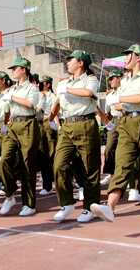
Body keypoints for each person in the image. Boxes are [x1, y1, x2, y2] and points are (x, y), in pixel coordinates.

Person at [92, 44, 140, 228]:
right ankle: (110, 206)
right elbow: (118, 106)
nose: (125, 59)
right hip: (126, 123)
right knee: (122, 163)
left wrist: (121, 99)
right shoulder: (124, 81)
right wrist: (119, 101)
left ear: (139, 57)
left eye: (128, 56)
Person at [51, 50, 101, 223]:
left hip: (85, 123)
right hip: (67, 125)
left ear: (80, 63)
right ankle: (67, 203)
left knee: (89, 168)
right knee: (59, 165)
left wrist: (66, 88)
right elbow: (57, 104)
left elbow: (88, 93)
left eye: (70, 60)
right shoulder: (65, 83)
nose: (67, 63)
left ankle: (90, 206)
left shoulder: (91, 79)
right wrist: (51, 119)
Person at [0, 57, 40, 216]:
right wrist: (5, 123)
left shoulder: (32, 88)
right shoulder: (12, 89)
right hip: (13, 124)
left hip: (28, 123)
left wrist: (12, 97)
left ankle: (29, 204)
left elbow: (31, 104)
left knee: (27, 164)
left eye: (15, 68)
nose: (12, 71)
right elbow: (8, 108)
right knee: (4, 160)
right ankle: (9, 195)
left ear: (24, 69)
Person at [100, 69, 123, 187]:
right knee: (109, 148)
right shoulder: (109, 94)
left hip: (125, 119)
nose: (110, 81)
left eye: (112, 78)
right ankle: (111, 173)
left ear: (119, 78)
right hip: (114, 121)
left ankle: (128, 176)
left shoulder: (125, 91)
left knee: (127, 149)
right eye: (109, 79)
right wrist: (107, 123)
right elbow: (107, 112)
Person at [37, 75, 57, 195]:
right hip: (39, 125)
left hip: (48, 124)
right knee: (43, 154)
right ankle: (48, 181)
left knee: (51, 153)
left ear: (48, 84)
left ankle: (51, 181)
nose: (40, 84)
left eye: (43, 83)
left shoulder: (52, 96)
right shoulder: (38, 94)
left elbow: (54, 111)